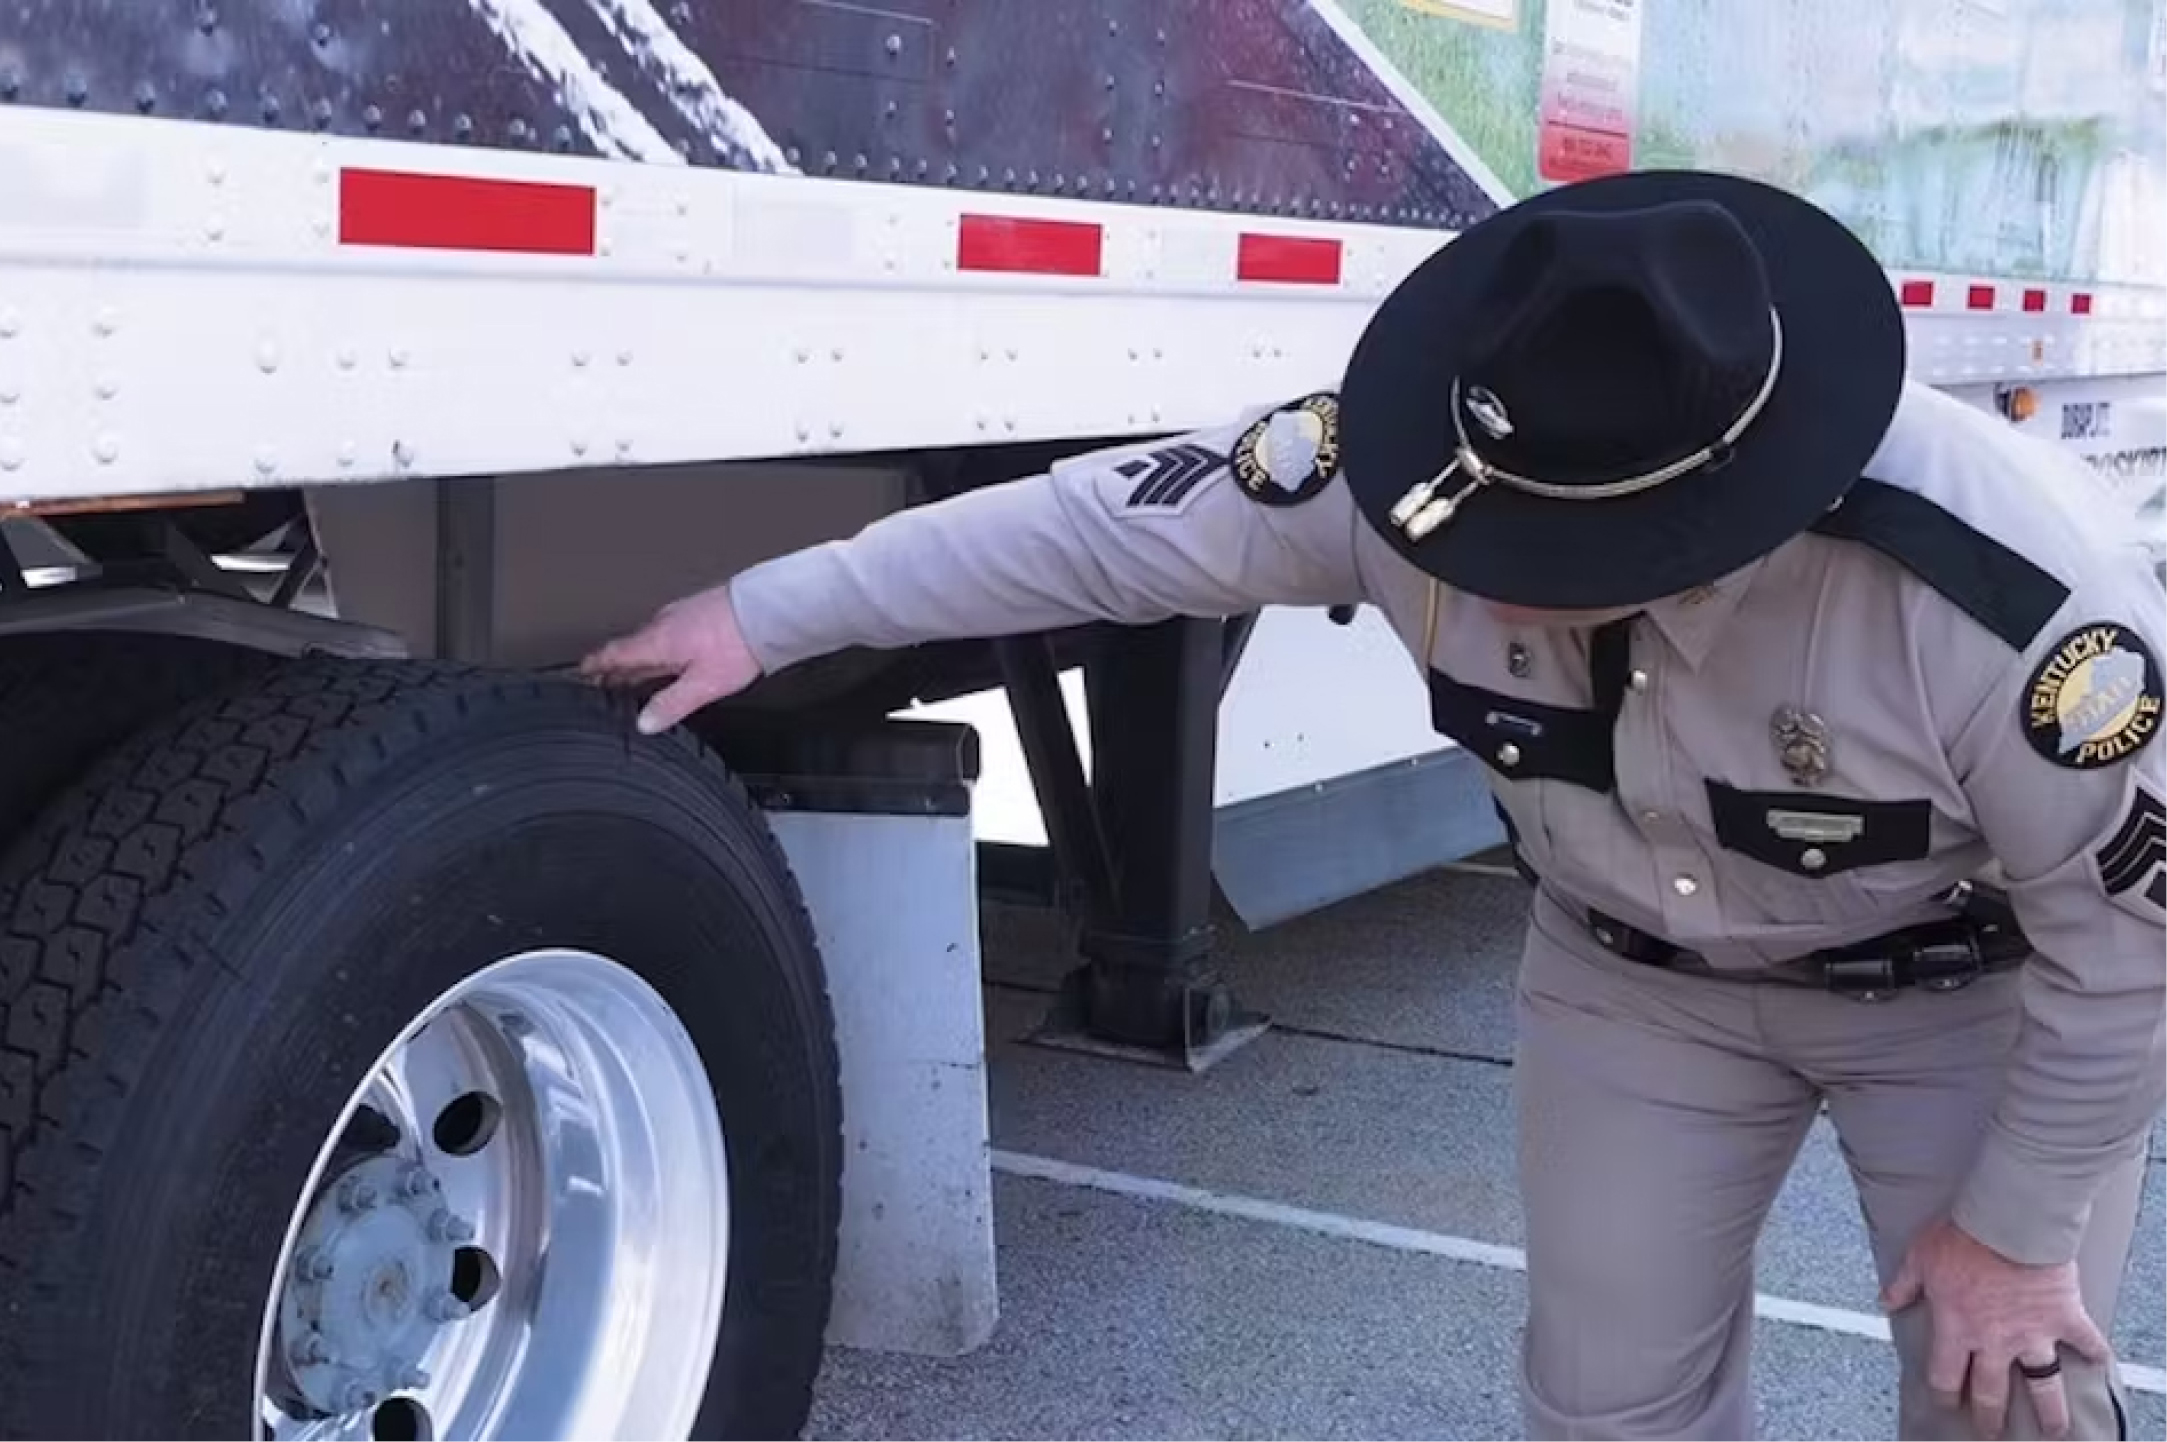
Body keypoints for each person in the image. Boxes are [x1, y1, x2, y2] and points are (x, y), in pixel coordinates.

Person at [580, 168, 2166, 1441]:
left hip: (1966, 994)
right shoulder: (1415, 470)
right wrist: (771, 610)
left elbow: (2135, 950)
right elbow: (1100, 531)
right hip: (1636, 991)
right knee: (1606, 1405)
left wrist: (2017, 1233)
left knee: (2013, 1398)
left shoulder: (2009, 597)